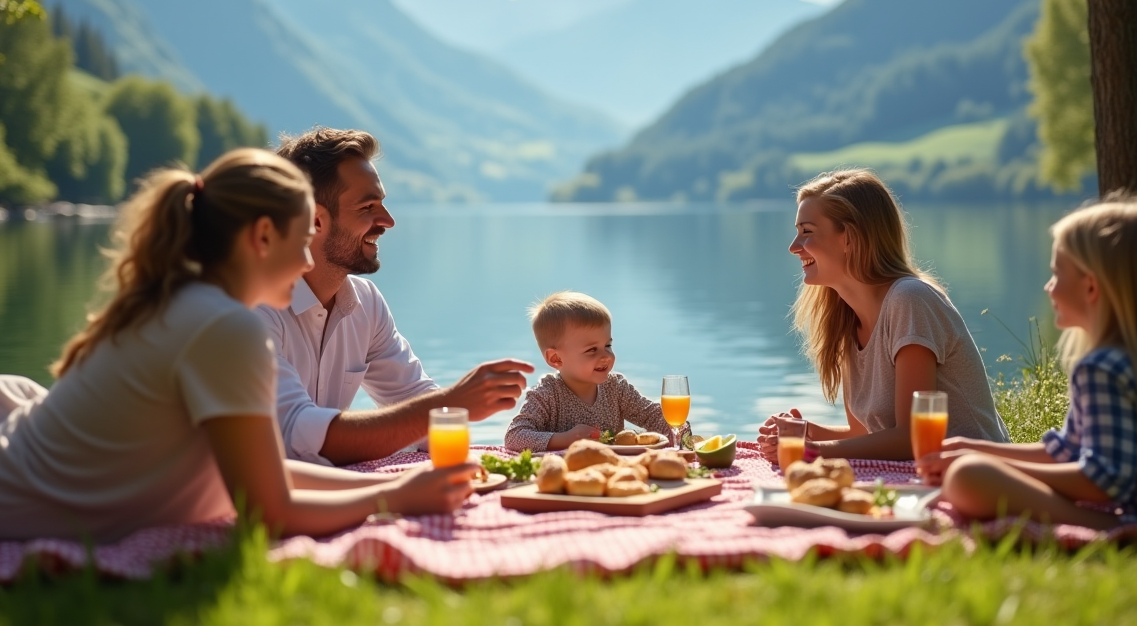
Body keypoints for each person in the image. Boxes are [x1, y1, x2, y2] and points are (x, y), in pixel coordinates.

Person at [0, 150, 476, 543]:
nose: (308, 259)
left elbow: (267, 473)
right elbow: (268, 509)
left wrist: (393, 483)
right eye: (303, 239)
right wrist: (394, 499)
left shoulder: (189, 302)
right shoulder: (226, 328)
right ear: (264, 236)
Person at [916, 200, 1137, 528]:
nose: (1048, 286)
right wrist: (975, 448)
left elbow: (1102, 480)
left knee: (969, 477)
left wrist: (983, 462)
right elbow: (1067, 451)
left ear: (1091, 287)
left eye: (1055, 274)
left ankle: (1109, 529)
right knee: (970, 469)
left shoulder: (1102, 368)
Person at [262, 128, 534, 466]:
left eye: (383, 203)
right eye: (367, 207)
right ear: (316, 220)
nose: (388, 221)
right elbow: (297, 437)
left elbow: (415, 399)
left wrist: (455, 410)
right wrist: (453, 401)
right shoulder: (256, 310)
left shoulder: (366, 303)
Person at [757, 169, 1008, 462]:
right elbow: (866, 436)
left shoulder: (910, 300)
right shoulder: (847, 319)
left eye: (807, 232)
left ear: (849, 238)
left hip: (976, 475)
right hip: (918, 475)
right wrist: (806, 432)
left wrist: (810, 451)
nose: (793, 247)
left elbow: (911, 439)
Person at [505, 291, 672, 451]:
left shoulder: (616, 387)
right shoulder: (546, 395)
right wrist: (567, 439)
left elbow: (653, 416)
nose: (606, 356)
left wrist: (680, 434)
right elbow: (514, 437)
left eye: (608, 345)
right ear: (556, 358)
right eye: (592, 350)